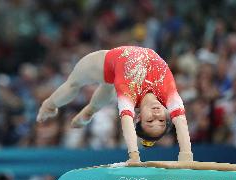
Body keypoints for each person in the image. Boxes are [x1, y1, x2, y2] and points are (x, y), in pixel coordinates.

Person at [37, 46, 193, 162]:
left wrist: (134, 155)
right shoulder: (169, 92)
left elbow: (126, 121)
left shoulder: (129, 92)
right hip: (115, 68)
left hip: (107, 65)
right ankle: (82, 110)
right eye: (162, 121)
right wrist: (187, 155)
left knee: (76, 83)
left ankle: (49, 105)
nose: (157, 115)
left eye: (150, 121)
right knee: (85, 84)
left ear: (138, 118)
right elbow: (180, 120)